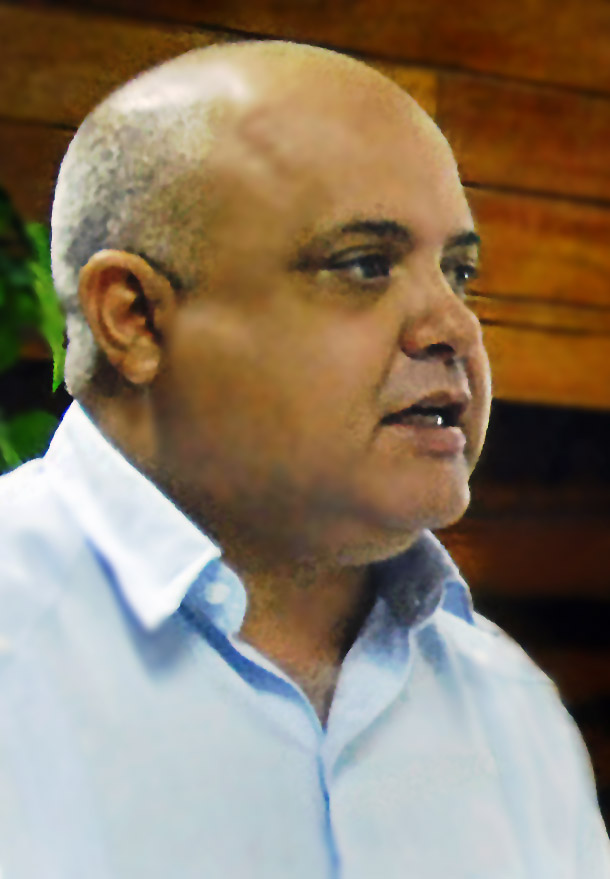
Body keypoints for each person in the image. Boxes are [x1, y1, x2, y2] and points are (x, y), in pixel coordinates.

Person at [0, 40, 608, 879]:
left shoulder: (510, 708)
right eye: (364, 265)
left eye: (459, 272)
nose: (455, 327)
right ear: (135, 317)